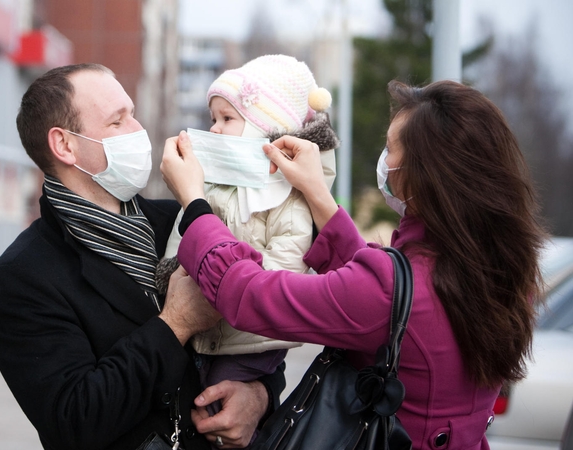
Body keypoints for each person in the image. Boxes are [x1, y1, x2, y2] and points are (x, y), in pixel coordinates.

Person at [160, 79, 547, 449]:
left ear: (424, 175)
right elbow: (387, 301)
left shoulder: (392, 291)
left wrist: (196, 206)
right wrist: (315, 191)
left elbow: (249, 294)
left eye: (391, 148)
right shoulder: (500, 268)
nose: (385, 159)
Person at [0, 63, 285, 450]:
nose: (138, 130)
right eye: (117, 121)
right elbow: (74, 420)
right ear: (65, 145)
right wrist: (175, 324)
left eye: (133, 113)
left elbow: (261, 331)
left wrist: (259, 395)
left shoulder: (178, 222)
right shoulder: (22, 278)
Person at [155, 55, 338, 428]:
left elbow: (287, 269)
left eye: (227, 119)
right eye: (213, 118)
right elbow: (183, 230)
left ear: (263, 127)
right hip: (206, 330)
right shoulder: (211, 181)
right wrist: (171, 274)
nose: (215, 129)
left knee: (221, 413)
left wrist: (227, 284)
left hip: (252, 341)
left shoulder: (288, 197)